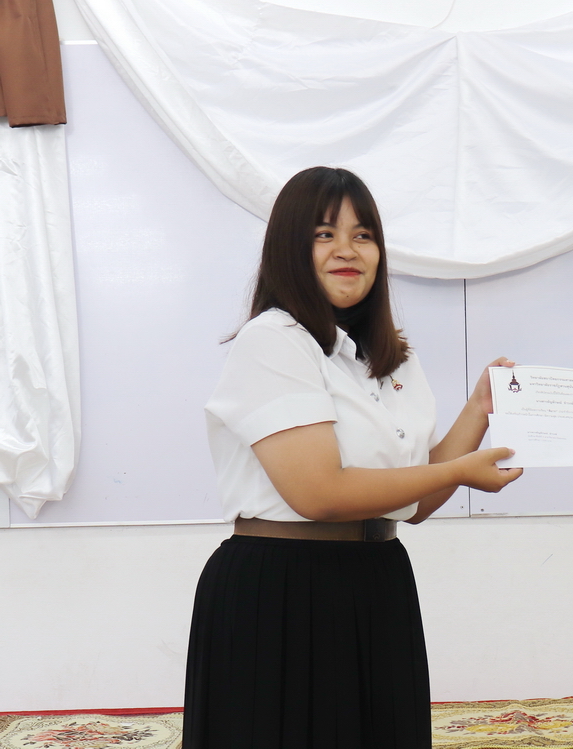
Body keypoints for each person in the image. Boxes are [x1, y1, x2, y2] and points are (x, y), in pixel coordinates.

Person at [182, 166, 523, 749]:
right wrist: (460, 471)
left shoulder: (392, 357)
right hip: (282, 593)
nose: (347, 250)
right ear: (290, 248)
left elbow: (413, 501)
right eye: (324, 234)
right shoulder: (273, 339)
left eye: (363, 235)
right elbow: (319, 492)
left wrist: (478, 410)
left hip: (377, 582)